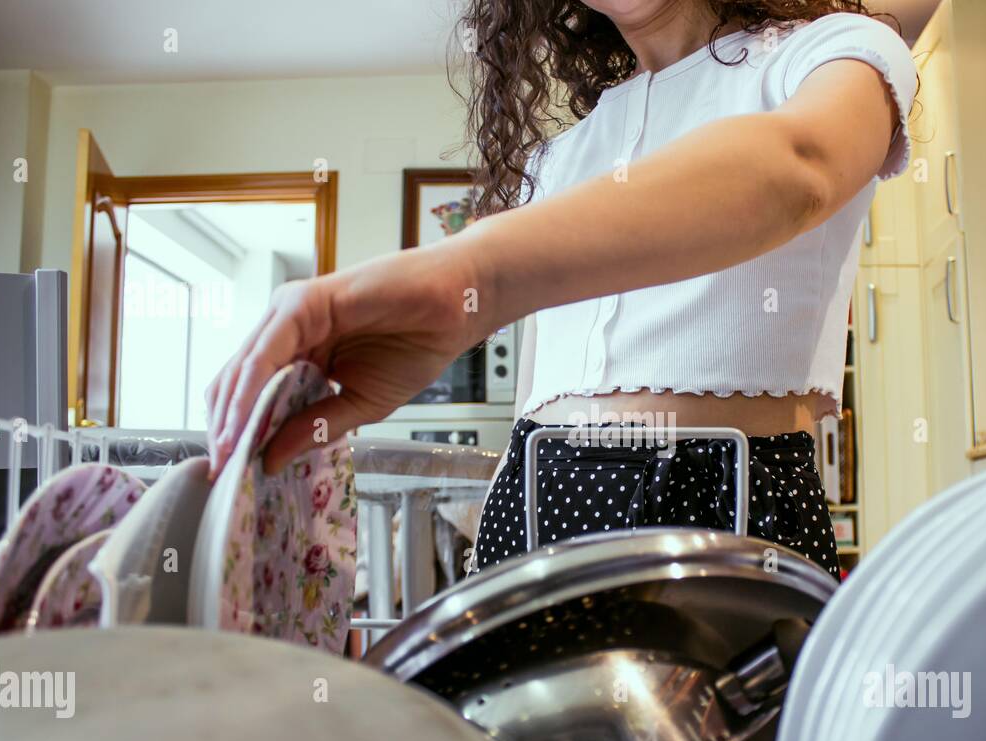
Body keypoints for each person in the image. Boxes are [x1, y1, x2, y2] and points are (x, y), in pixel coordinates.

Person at [205, 0, 917, 580]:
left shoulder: (835, 52)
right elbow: (535, 390)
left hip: (722, 507)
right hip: (533, 496)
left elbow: (798, 167)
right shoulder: (559, 157)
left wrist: (471, 271)